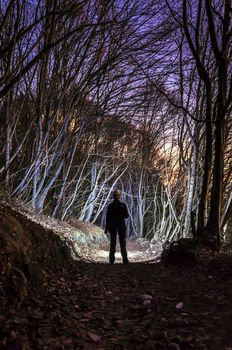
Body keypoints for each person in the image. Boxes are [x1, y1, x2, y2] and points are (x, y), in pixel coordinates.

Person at [105, 190, 129, 264]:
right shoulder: (123, 205)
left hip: (113, 225)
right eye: (119, 195)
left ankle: (111, 260)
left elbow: (108, 217)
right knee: (122, 242)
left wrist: (107, 228)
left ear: (113, 196)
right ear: (119, 196)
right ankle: (125, 260)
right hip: (121, 225)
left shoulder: (110, 205)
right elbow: (126, 216)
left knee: (113, 242)